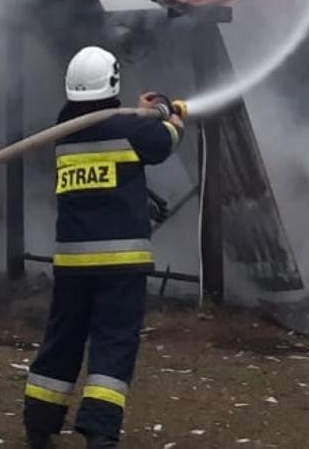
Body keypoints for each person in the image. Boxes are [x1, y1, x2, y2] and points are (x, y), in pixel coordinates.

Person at [23, 46, 186, 449]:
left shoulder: (63, 129)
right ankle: (99, 430)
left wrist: (140, 110)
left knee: (63, 339)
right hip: (120, 262)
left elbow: (105, 124)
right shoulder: (129, 129)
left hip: (73, 262)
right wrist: (174, 115)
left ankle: (39, 425)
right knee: (113, 343)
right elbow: (164, 142)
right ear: (112, 81)